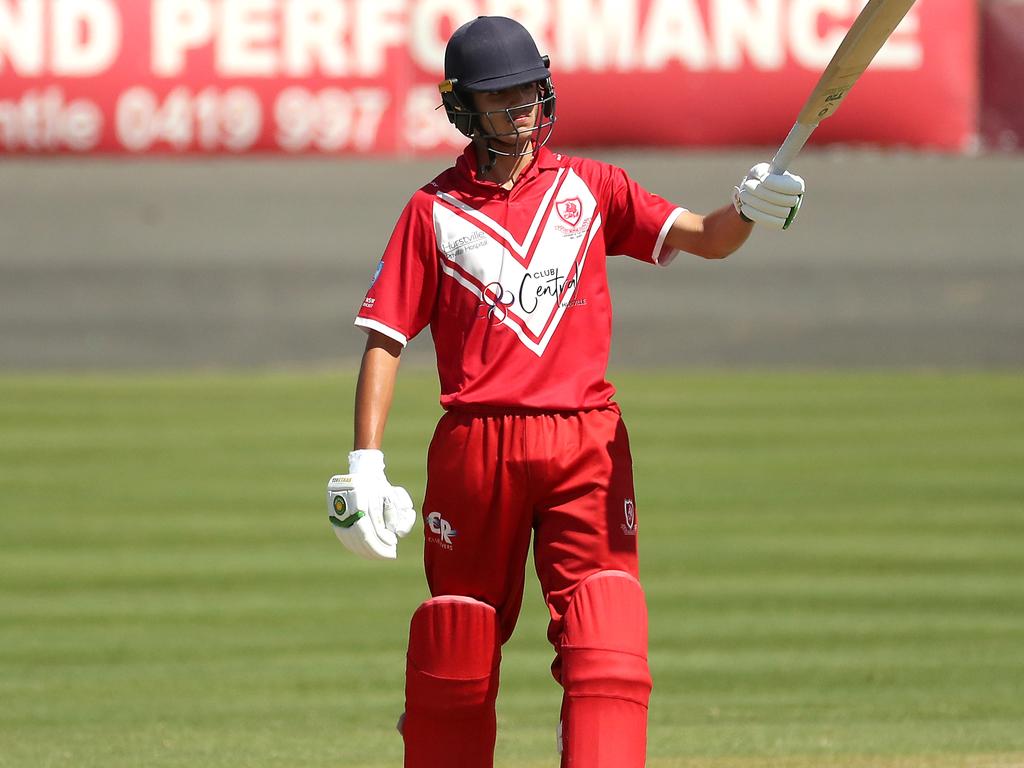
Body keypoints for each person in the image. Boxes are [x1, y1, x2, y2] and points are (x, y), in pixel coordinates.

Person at [325, 15, 805, 768]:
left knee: (606, 635)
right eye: (501, 97)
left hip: (587, 440)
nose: (521, 110)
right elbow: (386, 336)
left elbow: (706, 237)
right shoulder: (433, 212)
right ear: (463, 109)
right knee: (458, 641)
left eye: (529, 92)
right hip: (476, 447)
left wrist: (748, 210)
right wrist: (365, 462)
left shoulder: (592, 186)